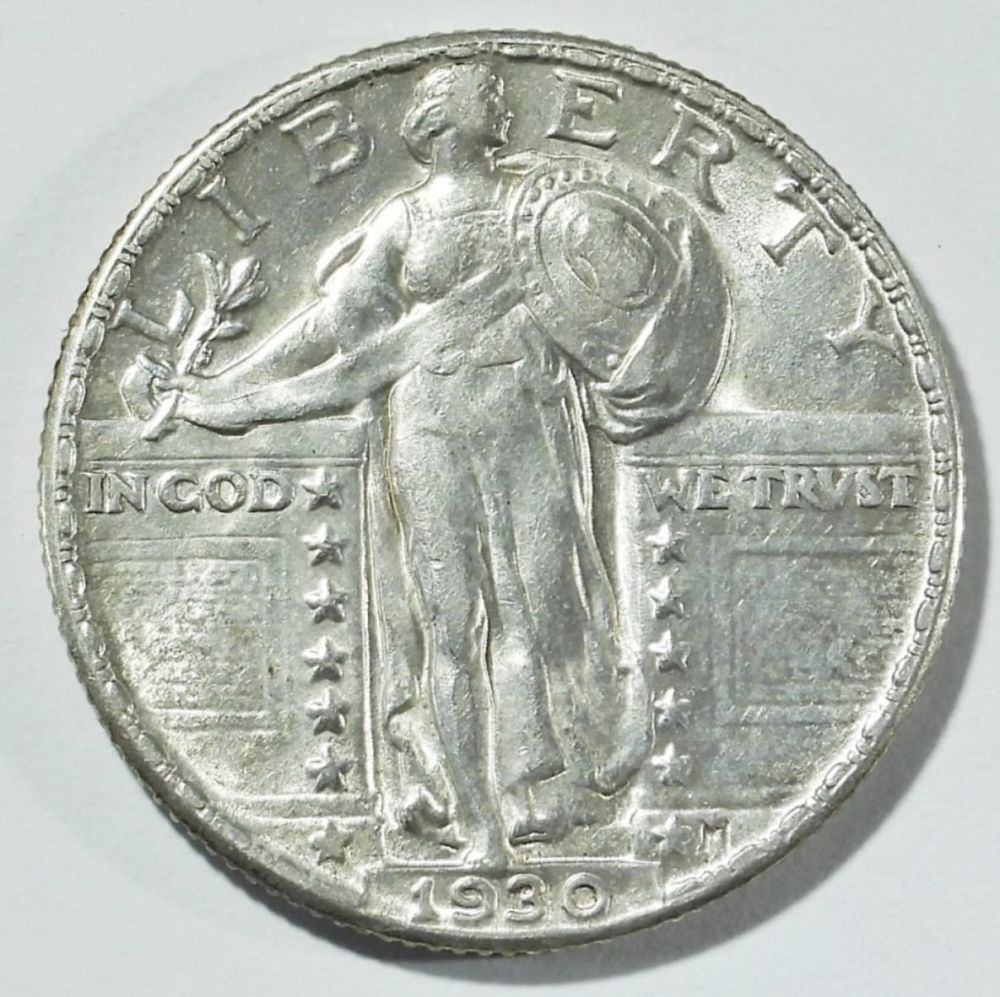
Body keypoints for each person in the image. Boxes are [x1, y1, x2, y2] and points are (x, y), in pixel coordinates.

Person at [153, 62, 729, 866]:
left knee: (541, 613)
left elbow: (621, 292)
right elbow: (333, 327)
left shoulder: (545, 204)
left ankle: (537, 794)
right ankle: (476, 823)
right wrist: (228, 388)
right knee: (448, 629)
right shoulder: (405, 219)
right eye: (479, 94)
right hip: (430, 428)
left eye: (493, 91)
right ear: (436, 119)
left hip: (530, 423)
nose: (499, 99)